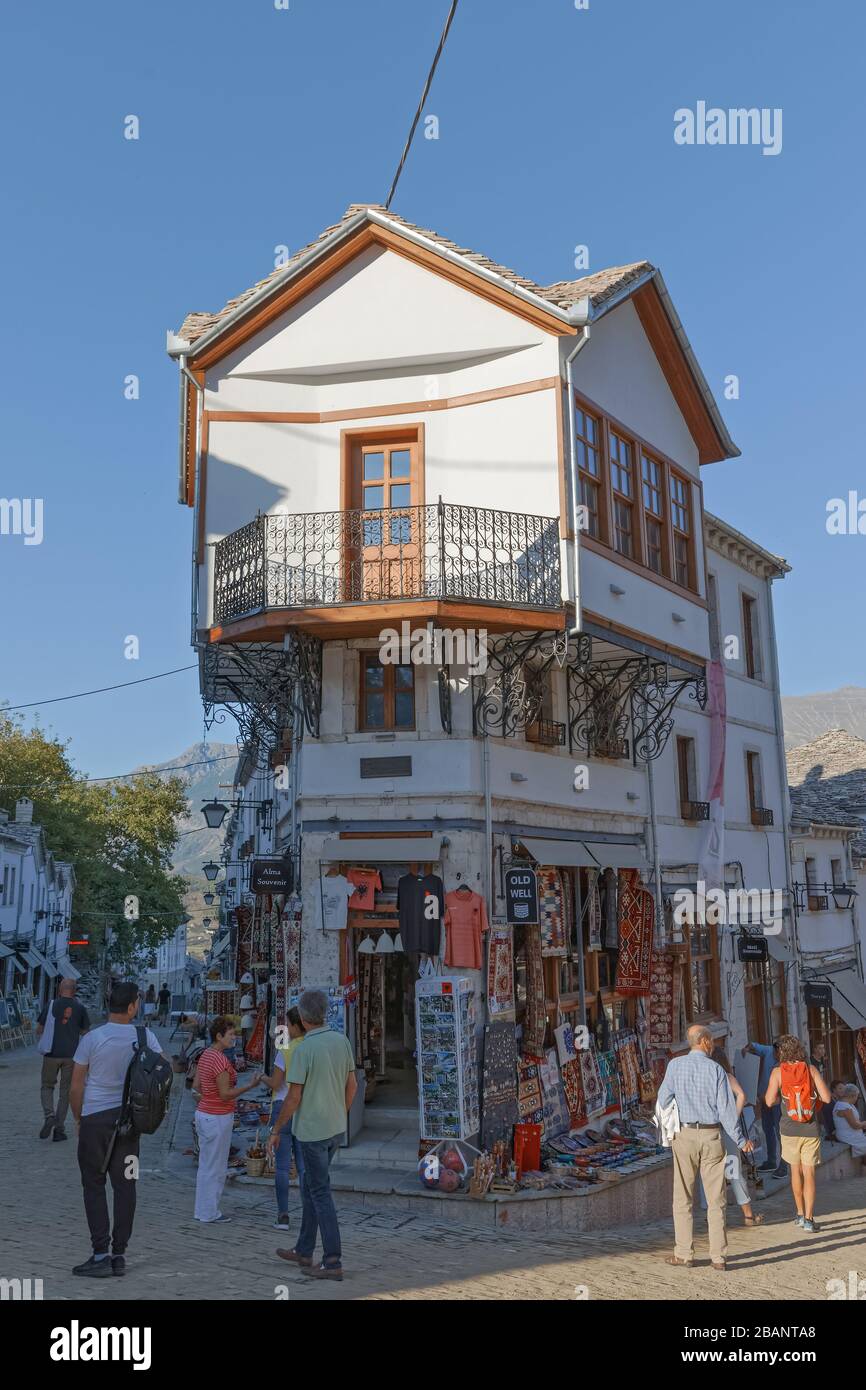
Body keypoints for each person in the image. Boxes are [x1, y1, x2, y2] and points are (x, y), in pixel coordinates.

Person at [69, 981, 161, 1278]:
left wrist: (79, 1119)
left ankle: (100, 1253)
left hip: (95, 1119)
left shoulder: (92, 1039)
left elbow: (76, 1085)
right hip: (131, 1126)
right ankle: (119, 1254)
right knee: (127, 1186)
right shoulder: (146, 1037)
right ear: (134, 1005)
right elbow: (165, 1070)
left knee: (93, 1184)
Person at [267, 988, 357, 1281]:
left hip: (312, 1131)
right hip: (333, 1128)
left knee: (319, 1193)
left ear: (303, 1018)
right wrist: (339, 1112)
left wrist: (277, 1128)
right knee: (310, 1188)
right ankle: (304, 1249)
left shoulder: (305, 1049)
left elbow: (293, 1097)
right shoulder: (341, 1041)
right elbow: (352, 1085)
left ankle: (332, 1260)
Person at [657, 1024, 753, 1271]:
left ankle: (684, 1253)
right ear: (705, 1041)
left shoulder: (675, 1066)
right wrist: (741, 1141)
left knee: (683, 1198)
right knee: (716, 1199)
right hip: (711, 1136)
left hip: (685, 1135)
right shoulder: (716, 1071)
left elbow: (663, 1099)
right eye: (710, 1041)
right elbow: (727, 1112)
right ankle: (718, 1257)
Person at [193, 1017, 262, 1224]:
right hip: (217, 1117)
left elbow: (196, 1085)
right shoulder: (221, 1060)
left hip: (205, 1114)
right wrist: (249, 1086)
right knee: (216, 1166)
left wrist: (209, 1096)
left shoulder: (206, 1055)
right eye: (231, 1034)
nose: (234, 1038)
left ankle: (202, 1209)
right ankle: (209, 1212)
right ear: (219, 1036)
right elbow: (226, 1094)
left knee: (207, 1164)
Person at [764, 1034, 831, 1232]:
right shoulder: (810, 1069)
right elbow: (827, 1098)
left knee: (795, 1171)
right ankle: (810, 1220)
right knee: (809, 1173)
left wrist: (782, 1101)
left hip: (788, 1128)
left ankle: (800, 1214)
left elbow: (768, 1101)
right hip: (810, 1128)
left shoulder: (777, 1072)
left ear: (781, 1052)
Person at [696, 1047, 763, 1228]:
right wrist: (733, 1114)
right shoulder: (727, 1076)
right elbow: (742, 1095)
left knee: (708, 1174)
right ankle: (748, 1215)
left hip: (708, 1130)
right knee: (734, 1172)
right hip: (729, 1132)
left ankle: (712, 1214)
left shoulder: (705, 1079)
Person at [259, 1007, 306, 1230]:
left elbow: (277, 1084)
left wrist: (261, 1077)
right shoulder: (311, 1047)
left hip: (283, 1106)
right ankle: (309, 1212)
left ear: (296, 1025)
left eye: (287, 1023)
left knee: (282, 1166)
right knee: (304, 1167)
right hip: (305, 1108)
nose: (285, 1028)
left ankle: (283, 1215)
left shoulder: (284, 1049)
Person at [36, 978, 90, 1142]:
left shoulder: (51, 1005)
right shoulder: (80, 1008)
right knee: (65, 1092)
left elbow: (39, 1029)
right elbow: (86, 1033)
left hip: (51, 1054)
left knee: (47, 1086)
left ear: (60, 989)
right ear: (74, 991)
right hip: (71, 1056)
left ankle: (49, 1115)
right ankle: (59, 1130)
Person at [742, 1038, 785, 1175]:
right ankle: (771, 1161)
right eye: (778, 1053)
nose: (780, 1056)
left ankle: (783, 1166)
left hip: (778, 1102)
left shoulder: (786, 1061)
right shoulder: (767, 1051)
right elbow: (752, 1045)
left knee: (780, 1133)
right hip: (764, 1100)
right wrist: (746, 1051)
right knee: (768, 1130)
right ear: (775, 1050)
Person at [831, 1082, 866, 1166]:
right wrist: (864, 1123)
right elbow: (855, 1125)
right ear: (853, 1095)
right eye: (857, 1096)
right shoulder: (844, 1107)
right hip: (848, 1136)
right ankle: (864, 1169)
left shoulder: (847, 1105)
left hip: (851, 1133)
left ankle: (864, 1168)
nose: (857, 1099)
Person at [810, 1042, 835, 1141]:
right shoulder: (811, 1061)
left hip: (821, 1089)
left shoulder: (821, 1060)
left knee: (829, 1106)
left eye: (823, 1048)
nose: (822, 1051)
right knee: (819, 1109)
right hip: (814, 1090)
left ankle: (829, 1130)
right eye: (820, 1048)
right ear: (815, 1049)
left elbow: (823, 1076)